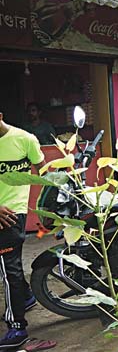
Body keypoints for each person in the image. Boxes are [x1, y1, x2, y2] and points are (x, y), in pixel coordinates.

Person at [0, 111, 45, 349]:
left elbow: (42, 169)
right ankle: (25, 297)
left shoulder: (25, 139)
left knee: (10, 270)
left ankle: (17, 327)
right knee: (9, 268)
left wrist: (43, 205)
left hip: (10, 216)